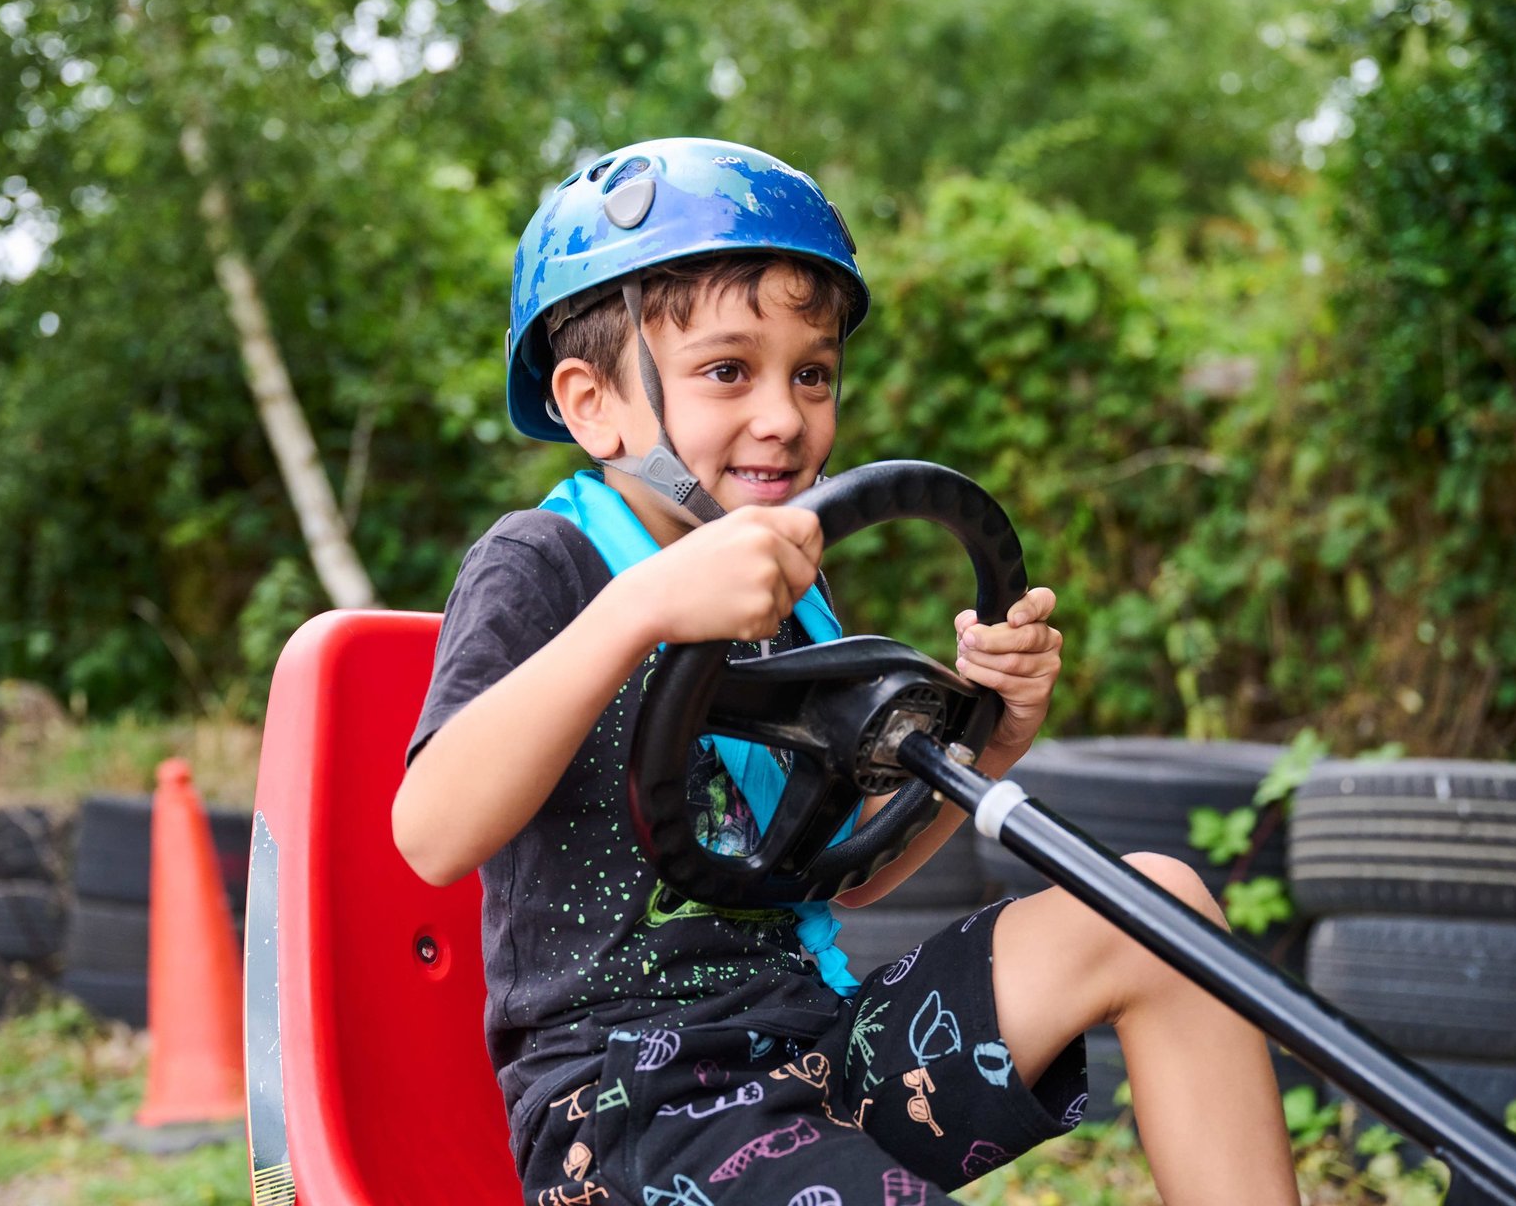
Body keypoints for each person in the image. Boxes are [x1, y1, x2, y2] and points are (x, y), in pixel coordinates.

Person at [393, 137, 1298, 1206]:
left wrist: (985, 736)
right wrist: (643, 606)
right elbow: (431, 831)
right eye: (729, 369)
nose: (784, 414)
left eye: (811, 372)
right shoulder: (543, 563)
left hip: (818, 1046)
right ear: (594, 404)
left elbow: (846, 870)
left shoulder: (791, 594)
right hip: (628, 1104)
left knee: (1156, 905)